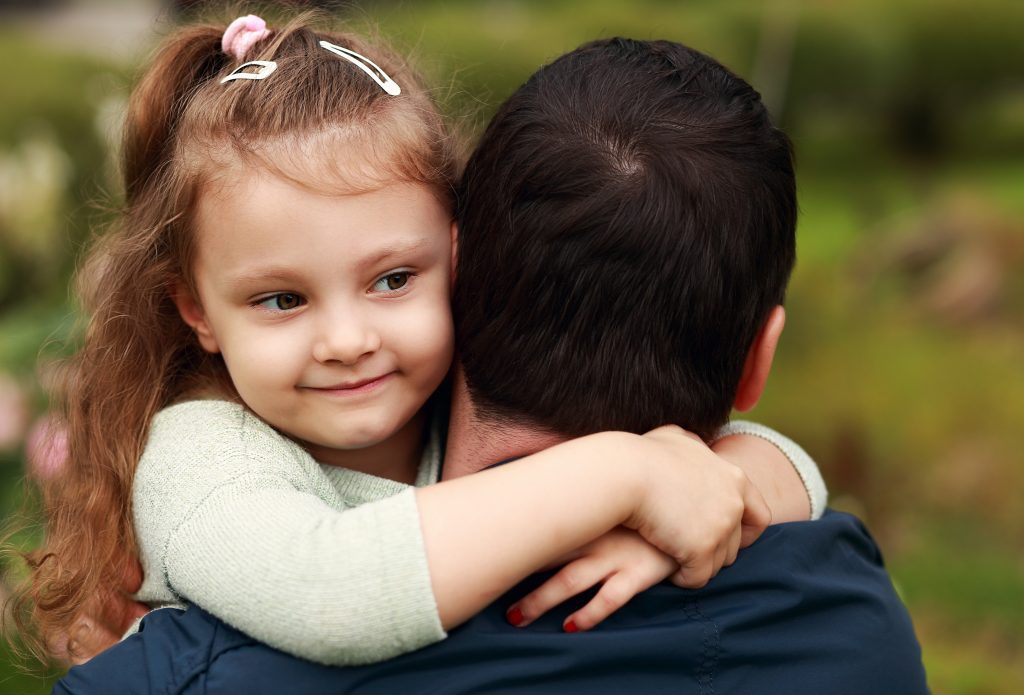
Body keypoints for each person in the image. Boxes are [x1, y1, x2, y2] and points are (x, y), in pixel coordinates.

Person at [54, 35, 928, 694]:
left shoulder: (419, 401)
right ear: (195, 309)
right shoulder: (205, 457)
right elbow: (334, 588)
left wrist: (715, 484)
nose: (349, 337)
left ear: (459, 265)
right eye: (282, 299)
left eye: (393, 279)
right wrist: (625, 472)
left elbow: (787, 465)